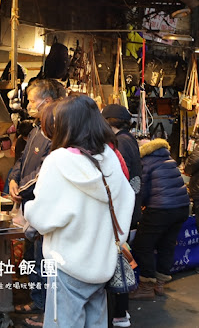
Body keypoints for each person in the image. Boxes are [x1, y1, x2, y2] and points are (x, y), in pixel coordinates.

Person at [24, 95, 135, 328]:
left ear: (66, 125)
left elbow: (42, 219)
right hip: (102, 265)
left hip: (68, 266)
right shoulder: (109, 156)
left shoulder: (57, 161)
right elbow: (127, 199)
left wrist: (28, 210)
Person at [8, 79, 66, 319]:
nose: (29, 105)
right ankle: (37, 300)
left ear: (48, 102)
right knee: (33, 256)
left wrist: (20, 190)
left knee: (43, 259)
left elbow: (43, 172)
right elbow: (22, 162)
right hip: (30, 207)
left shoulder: (56, 136)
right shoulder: (35, 129)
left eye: (32, 101)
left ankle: (43, 308)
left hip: (43, 209)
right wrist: (12, 178)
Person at [130, 138, 190, 300]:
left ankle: (147, 286)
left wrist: (138, 207)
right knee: (167, 245)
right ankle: (160, 284)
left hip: (161, 209)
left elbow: (143, 189)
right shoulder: (168, 158)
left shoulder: (146, 161)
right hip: (182, 207)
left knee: (142, 245)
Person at [101, 104, 142, 327]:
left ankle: (119, 313)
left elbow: (119, 182)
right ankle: (121, 313)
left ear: (108, 123)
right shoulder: (129, 139)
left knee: (119, 263)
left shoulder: (121, 144)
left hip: (122, 214)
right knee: (121, 260)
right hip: (130, 212)